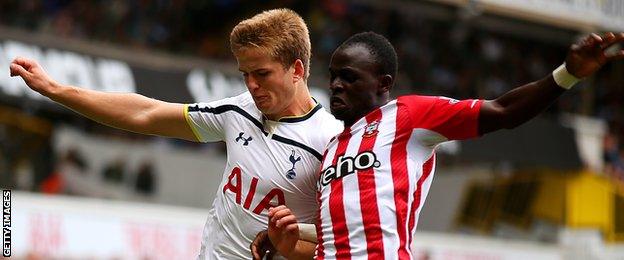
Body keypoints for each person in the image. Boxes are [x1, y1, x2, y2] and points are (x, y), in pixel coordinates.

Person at [253, 31, 624, 259]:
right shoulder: (332, 149)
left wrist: (568, 74)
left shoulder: (411, 116)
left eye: (348, 78)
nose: (335, 85)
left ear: (383, 84)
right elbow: (342, 231)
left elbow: (505, 110)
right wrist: (286, 236)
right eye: (333, 77)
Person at [9, 9, 342, 259]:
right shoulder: (239, 111)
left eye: (262, 73)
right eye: (245, 74)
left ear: (296, 70)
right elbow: (146, 113)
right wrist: (55, 89)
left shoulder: (332, 142)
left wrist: (291, 241)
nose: (251, 85)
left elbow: (341, 241)